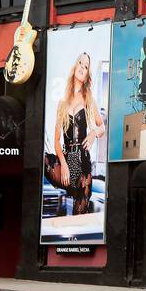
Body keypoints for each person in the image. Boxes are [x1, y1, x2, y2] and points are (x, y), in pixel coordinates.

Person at [50, 52, 105, 216]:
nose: (82, 67)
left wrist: (94, 133)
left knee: (79, 215)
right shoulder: (62, 103)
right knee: (46, 160)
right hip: (67, 159)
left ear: (87, 73)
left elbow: (102, 127)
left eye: (86, 66)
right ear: (75, 66)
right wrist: (64, 165)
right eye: (80, 63)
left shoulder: (88, 99)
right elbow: (56, 140)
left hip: (83, 162)